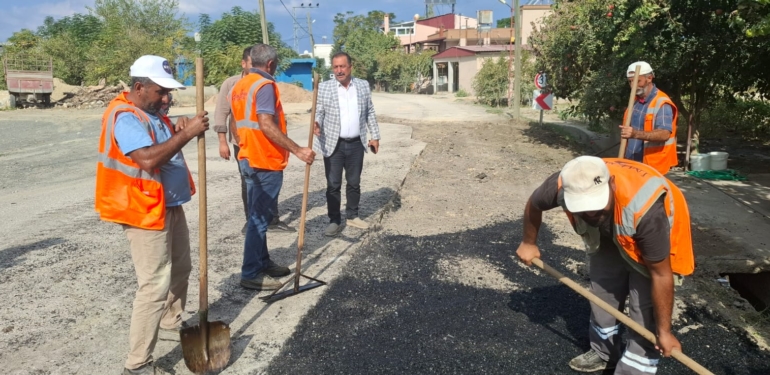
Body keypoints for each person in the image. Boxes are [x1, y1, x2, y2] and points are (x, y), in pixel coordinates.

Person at [516, 156, 695, 374]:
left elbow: (661, 276)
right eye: (582, 207)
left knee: (644, 309)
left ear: (611, 184)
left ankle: (635, 367)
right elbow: (534, 204)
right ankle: (604, 353)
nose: (590, 214)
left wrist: (664, 331)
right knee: (603, 292)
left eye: (595, 205)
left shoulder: (646, 209)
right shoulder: (565, 182)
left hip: (649, 230)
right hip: (611, 230)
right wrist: (528, 242)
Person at [95, 55, 209, 375]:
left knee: (181, 267)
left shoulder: (152, 111)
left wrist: (180, 123)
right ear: (139, 87)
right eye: (161, 92)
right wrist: (186, 134)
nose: (166, 98)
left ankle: (172, 320)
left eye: (168, 92)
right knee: (154, 285)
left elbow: (163, 133)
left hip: (167, 205)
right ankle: (138, 364)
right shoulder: (124, 116)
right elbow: (146, 159)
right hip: (143, 212)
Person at [230, 44, 316, 290]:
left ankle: (262, 261)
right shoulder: (264, 86)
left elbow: (235, 122)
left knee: (259, 216)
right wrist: (297, 149)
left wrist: (243, 144)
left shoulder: (241, 85)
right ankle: (251, 272)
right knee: (259, 218)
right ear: (270, 64)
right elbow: (266, 124)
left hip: (247, 156)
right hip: (264, 160)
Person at [215, 46, 295, 234]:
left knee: (265, 185)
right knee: (251, 183)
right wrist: (223, 141)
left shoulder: (257, 83)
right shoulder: (236, 84)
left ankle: (270, 220)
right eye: (250, 63)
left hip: (261, 145)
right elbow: (223, 114)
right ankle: (252, 220)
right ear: (244, 63)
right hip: (244, 145)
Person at [313, 52, 381, 237]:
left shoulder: (362, 85)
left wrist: (375, 136)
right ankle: (334, 220)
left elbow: (369, 112)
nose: (339, 70)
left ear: (350, 67)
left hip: (356, 143)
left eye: (342, 66)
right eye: (335, 67)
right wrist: (316, 123)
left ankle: (352, 215)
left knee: (354, 182)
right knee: (333, 184)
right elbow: (318, 111)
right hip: (333, 144)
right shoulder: (325, 88)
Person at [620, 61, 679, 175]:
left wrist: (635, 134)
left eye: (638, 81)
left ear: (649, 78)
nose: (633, 85)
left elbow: (664, 134)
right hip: (631, 163)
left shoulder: (661, 103)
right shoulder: (635, 101)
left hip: (651, 167)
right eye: (630, 81)